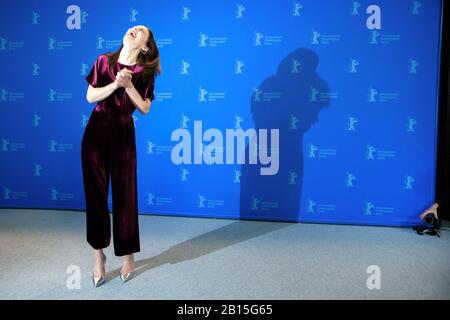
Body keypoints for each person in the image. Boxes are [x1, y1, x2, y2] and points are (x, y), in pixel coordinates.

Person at [81, 25, 161, 287]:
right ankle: (98, 256)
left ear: (146, 47)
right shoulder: (104, 61)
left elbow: (145, 108)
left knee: (126, 195)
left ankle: (128, 255)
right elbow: (91, 96)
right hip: (96, 132)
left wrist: (127, 87)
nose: (135, 29)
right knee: (96, 197)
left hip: (124, 134)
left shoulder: (144, 72)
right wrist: (115, 83)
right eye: (135, 27)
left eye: (142, 32)